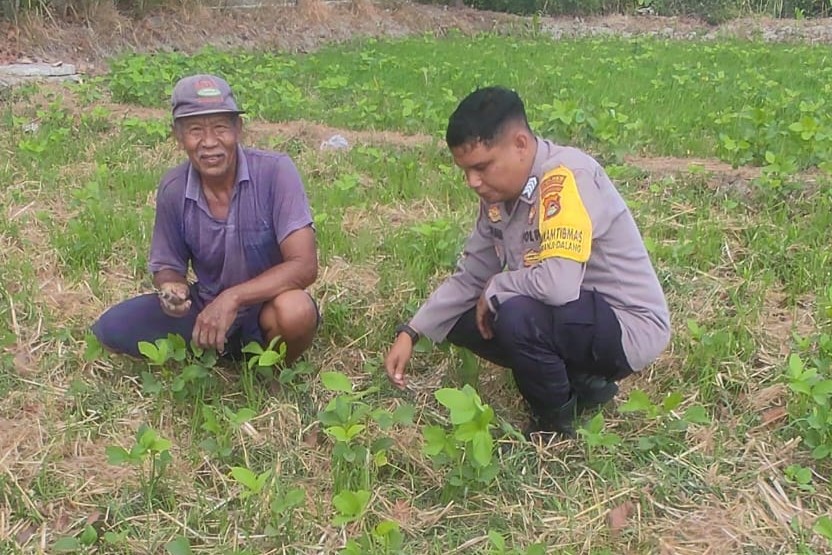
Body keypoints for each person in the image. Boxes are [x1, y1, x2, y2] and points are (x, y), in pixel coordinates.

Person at [384, 86, 671, 439]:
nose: (472, 182)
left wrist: (498, 285)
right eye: (465, 171)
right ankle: (581, 380)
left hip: (626, 325)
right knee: (457, 315)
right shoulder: (499, 197)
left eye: (481, 167)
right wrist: (412, 332)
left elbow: (559, 285)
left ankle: (554, 425)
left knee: (516, 313)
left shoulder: (565, 177)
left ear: (520, 144)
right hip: (575, 318)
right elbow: (471, 276)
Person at [91, 74, 319, 365]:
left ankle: (271, 370)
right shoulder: (174, 188)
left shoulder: (276, 172)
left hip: (266, 305)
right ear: (178, 136)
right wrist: (172, 290)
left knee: (296, 311)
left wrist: (233, 298)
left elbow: (304, 266)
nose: (209, 142)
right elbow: (167, 266)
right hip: (206, 305)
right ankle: (217, 347)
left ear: (238, 129)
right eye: (195, 130)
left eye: (220, 127)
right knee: (112, 327)